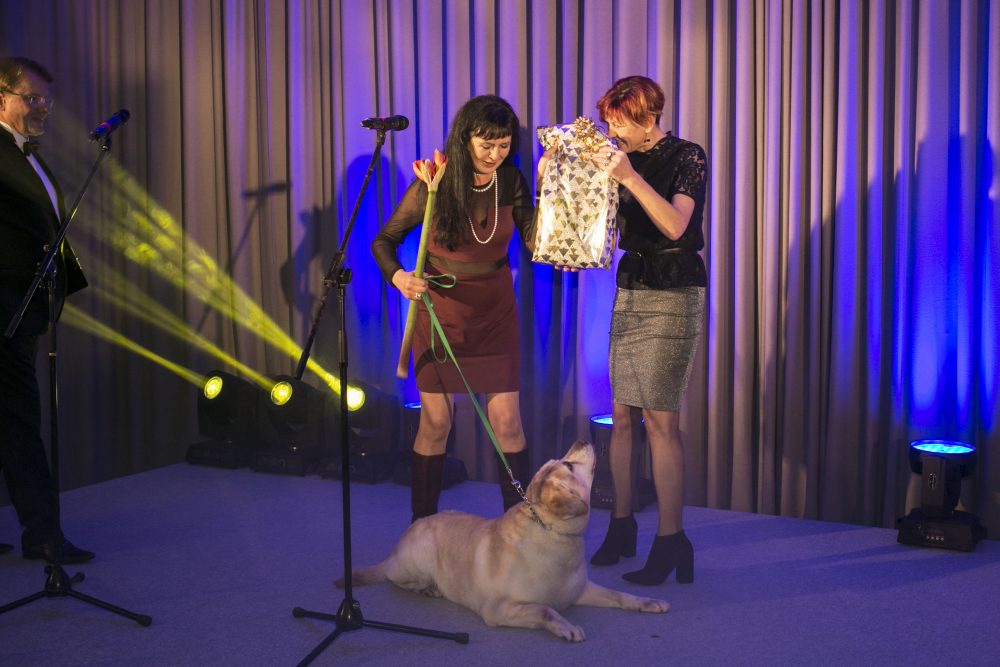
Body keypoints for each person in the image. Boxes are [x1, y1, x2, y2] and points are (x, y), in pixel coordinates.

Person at [372, 95, 536, 522]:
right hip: (440, 313)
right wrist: (399, 277)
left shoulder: (511, 180)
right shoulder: (435, 182)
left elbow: (535, 240)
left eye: (504, 145)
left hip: (495, 313)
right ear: (465, 139)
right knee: (437, 423)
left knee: (508, 424)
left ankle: (519, 533)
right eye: (487, 145)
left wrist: (555, 189)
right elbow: (383, 241)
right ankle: (422, 528)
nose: (495, 155)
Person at [586, 76, 708, 585]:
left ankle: (672, 538)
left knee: (660, 422)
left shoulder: (686, 156)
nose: (613, 131)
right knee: (621, 416)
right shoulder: (619, 158)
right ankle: (621, 526)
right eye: (610, 122)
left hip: (674, 289)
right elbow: (593, 220)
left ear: (649, 116)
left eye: (620, 122)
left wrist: (630, 177)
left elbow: (677, 225)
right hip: (632, 285)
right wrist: (558, 173)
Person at [0, 56, 92, 564]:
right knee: (18, 422)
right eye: (31, 98)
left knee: (10, 421)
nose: (41, 108)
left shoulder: (27, 155)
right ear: (1, 98)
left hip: (26, 306)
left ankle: (39, 532)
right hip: (5, 309)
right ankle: (42, 535)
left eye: (45, 100)